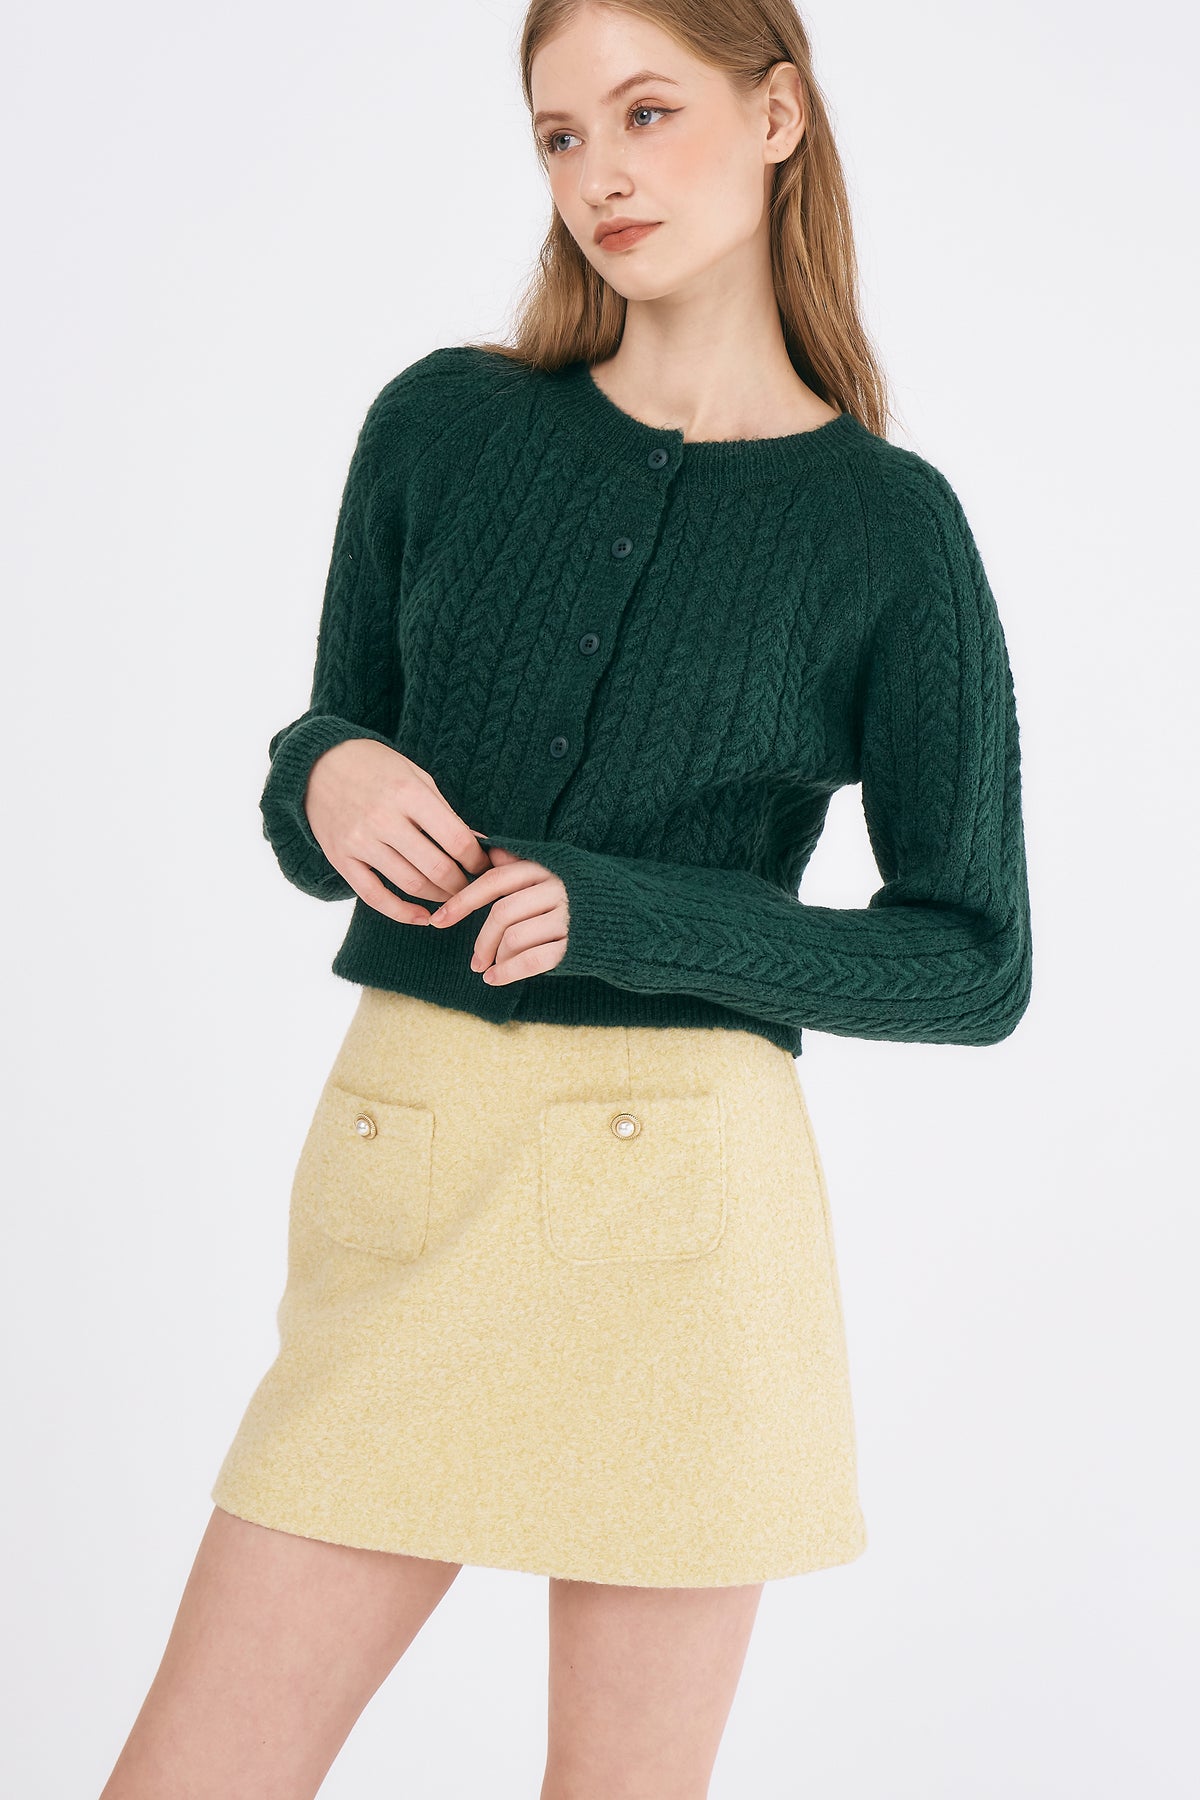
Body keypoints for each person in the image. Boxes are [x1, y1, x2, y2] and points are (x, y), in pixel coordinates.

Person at [98, 2, 1033, 1795]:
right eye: (559, 134)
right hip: (410, 1160)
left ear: (778, 115)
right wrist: (323, 770)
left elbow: (972, 960)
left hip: (683, 1213)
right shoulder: (444, 425)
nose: (599, 172)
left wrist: (629, 916)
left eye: (646, 111)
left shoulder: (885, 529)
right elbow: (329, 764)